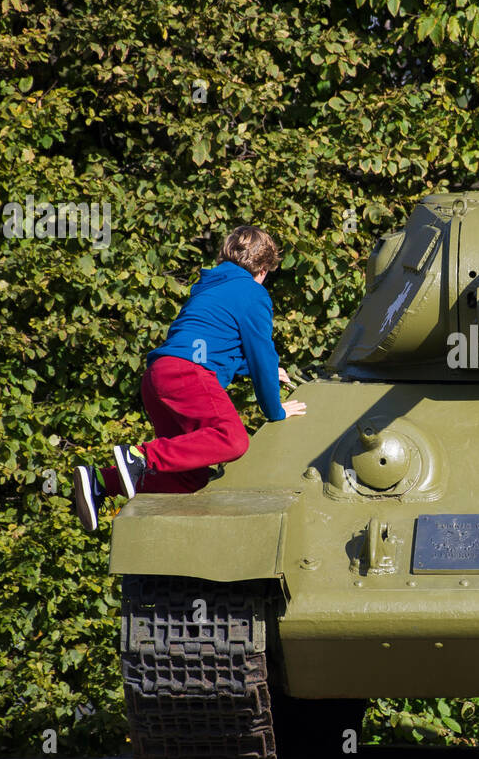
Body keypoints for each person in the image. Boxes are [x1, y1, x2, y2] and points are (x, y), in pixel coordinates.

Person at [71, 225, 306, 531]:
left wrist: (249, 370)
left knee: (188, 478)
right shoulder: (252, 292)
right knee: (232, 439)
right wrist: (275, 409)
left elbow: (212, 345)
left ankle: (101, 479)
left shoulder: (210, 287)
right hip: (187, 375)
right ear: (263, 268)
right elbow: (262, 353)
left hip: (159, 378)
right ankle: (138, 455)